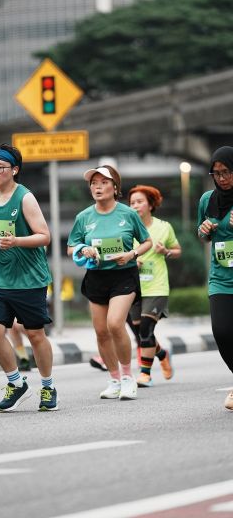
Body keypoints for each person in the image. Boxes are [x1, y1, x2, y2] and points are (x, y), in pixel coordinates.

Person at [0, 143, 57, 411]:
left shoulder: (25, 198)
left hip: (29, 279)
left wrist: (17, 241)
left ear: (14, 170)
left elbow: (44, 236)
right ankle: (16, 382)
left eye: (1, 167)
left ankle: (48, 387)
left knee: (35, 335)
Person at [67, 165, 152, 401]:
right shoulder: (84, 217)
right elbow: (71, 247)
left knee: (115, 324)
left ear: (115, 187)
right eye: (94, 183)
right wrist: (83, 249)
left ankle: (127, 377)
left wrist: (132, 254)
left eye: (104, 183)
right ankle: (114, 379)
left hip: (124, 275)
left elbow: (147, 242)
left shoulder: (128, 214)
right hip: (96, 277)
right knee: (101, 332)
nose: (98, 187)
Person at [128, 185, 181, 387]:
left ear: (150, 205)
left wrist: (166, 251)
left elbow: (177, 250)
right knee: (140, 332)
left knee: (146, 329)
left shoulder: (164, 227)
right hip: (133, 287)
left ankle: (145, 374)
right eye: (132, 203)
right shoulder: (127, 229)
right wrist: (132, 262)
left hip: (156, 286)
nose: (135, 206)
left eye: (139, 202)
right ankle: (162, 354)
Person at [197, 146, 233, 411]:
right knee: (221, 332)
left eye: (227, 172)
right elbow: (203, 235)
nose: (222, 178)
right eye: (216, 173)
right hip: (221, 278)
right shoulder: (207, 200)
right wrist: (204, 230)